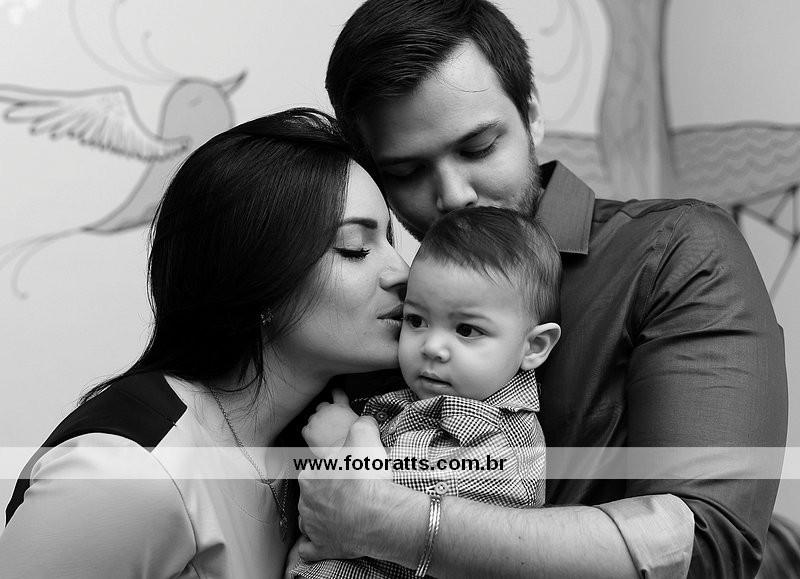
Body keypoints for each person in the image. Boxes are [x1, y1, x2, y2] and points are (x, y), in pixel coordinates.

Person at [295, 1, 789, 577]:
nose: (453, 195)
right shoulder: (385, 303)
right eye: (406, 173)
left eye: (478, 148)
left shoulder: (675, 251)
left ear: (531, 115)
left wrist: (393, 522)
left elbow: (705, 546)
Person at [0, 108, 409, 579]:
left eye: (390, 241)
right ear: (258, 278)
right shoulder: (127, 476)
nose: (401, 272)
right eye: (356, 248)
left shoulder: (336, 446)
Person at [294, 206, 562, 578]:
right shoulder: (430, 397)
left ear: (533, 346)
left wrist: (344, 443)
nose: (431, 347)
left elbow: (422, 519)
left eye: (466, 330)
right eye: (416, 320)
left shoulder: (494, 433)